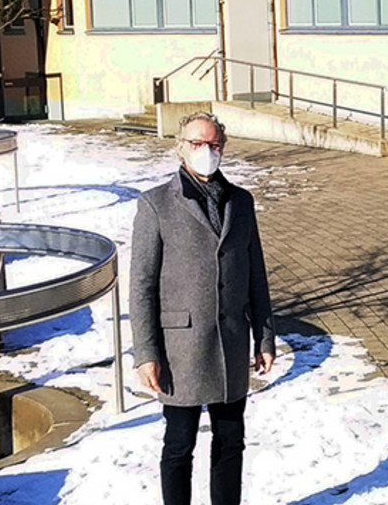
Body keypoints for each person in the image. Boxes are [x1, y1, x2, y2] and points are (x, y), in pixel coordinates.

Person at [130, 111, 277, 505]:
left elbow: (255, 276)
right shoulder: (156, 204)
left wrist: (264, 336)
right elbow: (142, 285)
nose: (206, 152)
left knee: (231, 443)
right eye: (197, 144)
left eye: (213, 145)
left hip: (230, 344)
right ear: (181, 148)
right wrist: (146, 353)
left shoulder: (240, 202)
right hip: (181, 351)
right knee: (179, 446)